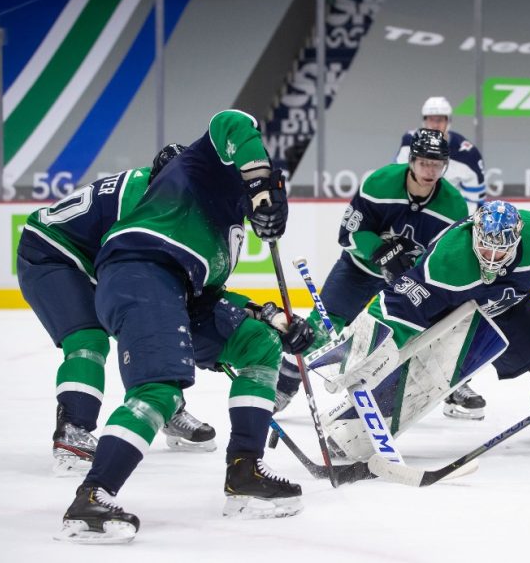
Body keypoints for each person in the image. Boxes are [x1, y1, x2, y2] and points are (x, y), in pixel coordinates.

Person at [55, 110, 316, 544]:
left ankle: (245, 472)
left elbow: (211, 297)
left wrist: (270, 316)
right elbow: (233, 121)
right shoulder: (207, 168)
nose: (268, 210)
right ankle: (90, 499)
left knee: (259, 346)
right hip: (140, 271)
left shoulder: (226, 236)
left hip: (178, 290)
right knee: (159, 388)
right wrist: (258, 179)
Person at [317, 200, 530, 461]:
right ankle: (354, 422)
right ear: (474, 234)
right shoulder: (447, 261)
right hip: (452, 319)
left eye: (501, 251)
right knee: (417, 369)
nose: (492, 259)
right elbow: (397, 304)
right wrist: (363, 347)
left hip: (509, 311)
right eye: (485, 249)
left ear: (519, 239)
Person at [17, 144, 217, 476]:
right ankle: (73, 430)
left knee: (154, 321)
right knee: (89, 340)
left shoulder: (167, 197)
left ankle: (168, 405)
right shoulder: (139, 199)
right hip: (51, 253)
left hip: (95, 259)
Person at [274, 128, 480, 419]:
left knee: (439, 329)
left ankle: (453, 386)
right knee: (320, 328)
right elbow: (347, 234)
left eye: (437, 164)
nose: (430, 171)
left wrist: (416, 267)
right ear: (411, 160)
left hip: (407, 283)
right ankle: (283, 387)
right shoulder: (379, 184)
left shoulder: (454, 206)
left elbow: (446, 258)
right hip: (359, 271)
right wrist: (380, 252)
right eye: (424, 163)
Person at [396, 96, 486, 212]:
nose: (435, 125)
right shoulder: (409, 142)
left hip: (448, 214)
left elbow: (475, 201)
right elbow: (398, 180)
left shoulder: (469, 155)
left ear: (448, 121)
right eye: (431, 119)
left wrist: (457, 224)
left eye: (440, 120)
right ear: (424, 121)